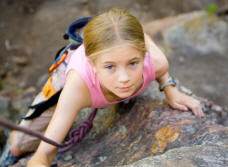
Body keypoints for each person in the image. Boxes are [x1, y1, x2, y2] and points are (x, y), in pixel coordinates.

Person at [4, 8, 204, 166]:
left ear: (144, 57)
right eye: (111, 67)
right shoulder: (76, 87)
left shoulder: (157, 63)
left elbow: (144, 38)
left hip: (111, 54)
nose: (124, 79)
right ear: (91, 64)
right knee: (18, 147)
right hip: (71, 74)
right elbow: (43, 155)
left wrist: (170, 89)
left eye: (133, 63)